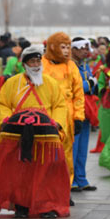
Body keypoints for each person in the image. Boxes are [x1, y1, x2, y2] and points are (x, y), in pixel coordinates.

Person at [0, 46, 70, 219]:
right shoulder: (12, 83)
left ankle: (47, 206)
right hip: (19, 135)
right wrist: (6, 120)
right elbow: (2, 104)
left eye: (38, 61)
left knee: (47, 172)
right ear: (24, 64)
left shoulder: (51, 83)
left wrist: (56, 123)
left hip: (45, 136)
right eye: (32, 61)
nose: (36, 65)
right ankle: (21, 206)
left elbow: (60, 105)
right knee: (20, 172)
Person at [42, 32, 85, 185]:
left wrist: (79, 117)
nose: (67, 50)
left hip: (67, 116)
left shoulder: (71, 66)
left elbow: (78, 94)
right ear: (52, 46)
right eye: (63, 47)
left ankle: (65, 188)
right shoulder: (42, 64)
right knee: (46, 154)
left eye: (68, 47)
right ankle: (46, 188)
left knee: (66, 154)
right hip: (46, 114)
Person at [70, 38, 98, 191]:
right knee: (74, 147)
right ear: (73, 49)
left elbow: (94, 83)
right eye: (82, 48)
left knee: (82, 147)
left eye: (87, 48)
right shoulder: (69, 65)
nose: (85, 51)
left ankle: (81, 178)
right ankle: (71, 179)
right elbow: (73, 86)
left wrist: (93, 84)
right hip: (74, 112)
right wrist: (90, 84)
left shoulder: (85, 65)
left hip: (85, 110)